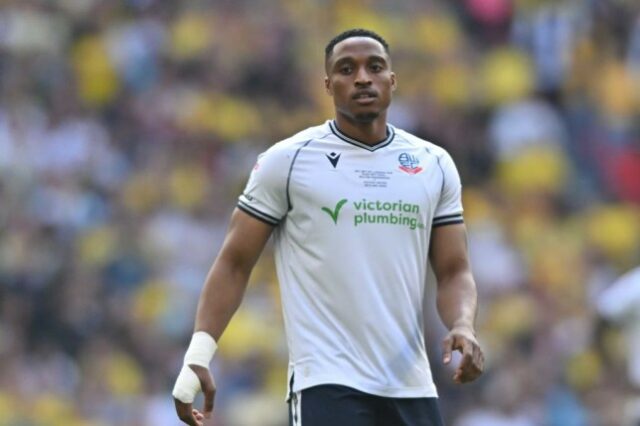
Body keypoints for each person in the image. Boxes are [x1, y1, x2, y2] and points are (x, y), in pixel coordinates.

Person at [172, 28, 484, 426]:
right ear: (328, 85)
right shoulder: (287, 161)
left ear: (392, 80)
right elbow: (234, 262)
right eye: (346, 69)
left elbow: (454, 270)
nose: (362, 78)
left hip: (411, 385)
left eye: (375, 67)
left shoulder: (433, 163)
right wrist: (198, 355)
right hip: (327, 382)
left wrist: (463, 324)